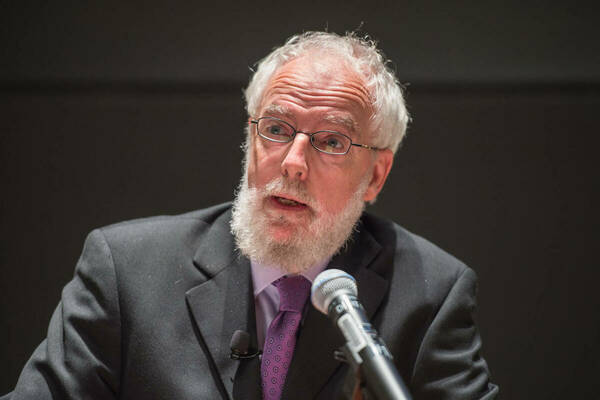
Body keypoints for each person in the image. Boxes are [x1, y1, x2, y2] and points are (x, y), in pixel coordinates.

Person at [4, 31, 498, 399]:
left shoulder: (431, 295)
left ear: (375, 175)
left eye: (330, 141)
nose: (293, 163)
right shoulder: (126, 272)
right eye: (277, 129)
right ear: (250, 140)